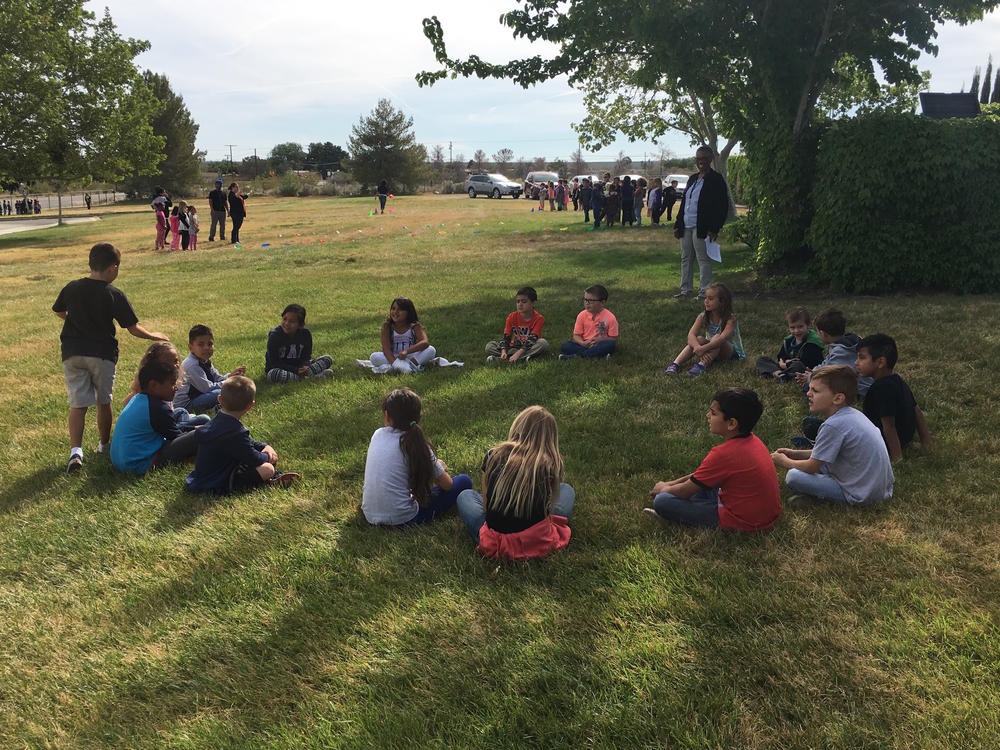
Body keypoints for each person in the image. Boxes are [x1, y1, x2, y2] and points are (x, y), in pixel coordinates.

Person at [52, 242, 168, 473]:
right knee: (103, 402)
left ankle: (76, 451)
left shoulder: (72, 287)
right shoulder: (113, 293)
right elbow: (133, 328)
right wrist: (155, 336)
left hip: (72, 353)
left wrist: (73, 320)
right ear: (113, 268)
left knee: (77, 404)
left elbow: (58, 310)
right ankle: (104, 446)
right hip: (102, 355)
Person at [645, 388, 781, 531]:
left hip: (745, 520)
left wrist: (663, 489)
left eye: (714, 413)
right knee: (698, 486)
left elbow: (685, 491)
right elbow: (699, 477)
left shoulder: (723, 454)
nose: (708, 415)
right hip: (763, 513)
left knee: (662, 501)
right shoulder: (753, 440)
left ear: (731, 423)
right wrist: (670, 484)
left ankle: (676, 514)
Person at [456, 406, 574, 558]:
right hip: (536, 541)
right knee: (566, 490)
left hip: (497, 542)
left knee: (466, 496)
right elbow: (546, 510)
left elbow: (486, 508)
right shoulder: (550, 465)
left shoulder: (493, 455)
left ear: (518, 427)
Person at [773, 365, 894, 505]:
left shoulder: (832, 426)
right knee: (820, 465)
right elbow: (823, 453)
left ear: (837, 398)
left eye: (815, 391)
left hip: (861, 494)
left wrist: (785, 461)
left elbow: (812, 466)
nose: (808, 394)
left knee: (793, 476)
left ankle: (821, 497)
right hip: (880, 489)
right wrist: (795, 453)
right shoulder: (852, 414)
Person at [361, 387, 472, 526]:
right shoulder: (418, 445)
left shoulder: (377, 435)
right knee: (464, 481)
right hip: (404, 519)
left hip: (369, 515)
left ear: (387, 416)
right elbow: (448, 485)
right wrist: (437, 469)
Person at [186, 375, 300, 494]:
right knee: (268, 469)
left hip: (200, 479)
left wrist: (264, 446)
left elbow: (247, 443)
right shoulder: (235, 432)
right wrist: (268, 455)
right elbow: (253, 457)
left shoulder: (216, 422)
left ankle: (272, 478)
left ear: (219, 399)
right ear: (250, 405)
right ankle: (270, 478)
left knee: (255, 464)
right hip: (216, 483)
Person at [110, 360, 199, 474]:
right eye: (172, 383)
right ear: (153, 385)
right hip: (139, 464)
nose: (176, 387)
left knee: (190, 416)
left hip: (122, 460)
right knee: (198, 436)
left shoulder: (139, 398)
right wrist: (195, 430)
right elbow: (176, 437)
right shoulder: (158, 407)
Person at [856, 334, 932, 461]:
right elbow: (916, 410)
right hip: (904, 439)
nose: (856, 363)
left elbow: (889, 426)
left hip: (878, 443)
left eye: (861, 358)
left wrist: (897, 458)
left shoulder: (881, 389)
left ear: (880, 362)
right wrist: (927, 442)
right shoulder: (897, 379)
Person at [673, 146, 729, 299]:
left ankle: (705, 292)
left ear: (710, 160)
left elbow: (722, 206)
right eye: (698, 159)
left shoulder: (716, 180)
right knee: (686, 259)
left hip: (703, 227)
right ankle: (685, 290)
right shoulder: (692, 179)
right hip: (686, 225)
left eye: (704, 158)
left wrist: (714, 228)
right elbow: (685, 203)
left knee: (703, 259)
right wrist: (678, 225)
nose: (701, 162)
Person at [123, 341, 209, 432]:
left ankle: (185, 421)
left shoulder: (168, 384)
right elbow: (126, 405)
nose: (175, 365)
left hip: (166, 420)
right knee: (203, 420)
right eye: (168, 362)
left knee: (182, 412)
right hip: (159, 429)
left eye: (176, 361)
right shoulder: (149, 391)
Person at [664, 282, 745, 377]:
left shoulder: (731, 319)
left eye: (710, 299)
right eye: (706, 298)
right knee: (698, 339)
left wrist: (702, 349)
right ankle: (675, 364)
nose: (706, 301)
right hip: (713, 351)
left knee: (717, 338)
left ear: (722, 301)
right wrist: (697, 347)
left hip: (732, 354)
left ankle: (701, 366)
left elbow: (722, 340)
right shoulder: (703, 316)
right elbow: (691, 335)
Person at [794, 309, 874, 399]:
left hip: (859, 390)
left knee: (816, 387)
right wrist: (814, 372)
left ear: (822, 333)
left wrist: (810, 378)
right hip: (860, 384)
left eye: (817, 331)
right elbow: (828, 363)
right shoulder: (849, 341)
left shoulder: (841, 351)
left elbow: (830, 376)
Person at [174, 324, 247, 413]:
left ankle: (221, 405)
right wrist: (229, 382)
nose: (206, 348)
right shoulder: (192, 365)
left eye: (210, 344)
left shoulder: (204, 360)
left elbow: (216, 378)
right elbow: (207, 388)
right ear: (190, 348)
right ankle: (219, 407)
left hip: (198, 396)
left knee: (228, 389)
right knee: (221, 392)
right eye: (201, 344)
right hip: (186, 406)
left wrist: (230, 376)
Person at [265, 303, 333, 383]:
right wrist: (295, 370)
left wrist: (304, 366)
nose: (287, 323)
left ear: (300, 325)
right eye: (284, 319)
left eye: (292, 321)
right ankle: (311, 377)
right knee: (272, 374)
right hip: (281, 369)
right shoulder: (275, 335)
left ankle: (305, 376)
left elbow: (306, 356)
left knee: (327, 359)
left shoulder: (305, 334)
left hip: (299, 367)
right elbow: (274, 362)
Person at [756, 306, 825, 381]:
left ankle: (782, 376)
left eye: (800, 327)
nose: (796, 331)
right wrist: (781, 361)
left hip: (806, 370)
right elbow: (781, 355)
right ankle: (779, 373)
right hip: (787, 367)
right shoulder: (789, 340)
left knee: (797, 365)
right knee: (762, 359)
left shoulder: (812, 342)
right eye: (792, 328)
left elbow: (808, 363)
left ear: (808, 325)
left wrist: (786, 365)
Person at [369, 297, 437, 373]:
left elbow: (425, 342)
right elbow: (386, 348)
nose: (395, 312)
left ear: (408, 312)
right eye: (393, 309)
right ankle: (404, 368)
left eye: (400, 310)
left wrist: (406, 351)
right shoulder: (387, 326)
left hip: (411, 356)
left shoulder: (415, 326)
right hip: (394, 357)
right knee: (374, 357)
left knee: (431, 350)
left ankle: (409, 366)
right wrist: (396, 363)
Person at [486, 286, 548, 363]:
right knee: (490, 346)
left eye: (524, 301)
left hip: (528, 348)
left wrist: (518, 353)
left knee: (543, 343)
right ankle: (523, 358)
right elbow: (506, 337)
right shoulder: (511, 317)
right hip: (512, 347)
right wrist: (503, 351)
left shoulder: (539, 318)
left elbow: (532, 339)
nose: (520, 304)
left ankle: (505, 359)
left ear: (533, 303)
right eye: (518, 301)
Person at [559, 284, 618, 360]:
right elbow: (576, 336)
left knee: (610, 345)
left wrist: (601, 340)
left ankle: (575, 357)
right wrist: (582, 343)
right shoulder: (581, 315)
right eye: (585, 300)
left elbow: (613, 338)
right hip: (584, 344)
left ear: (602, 302)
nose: (587, 303)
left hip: (599, 344)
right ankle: (598, 356)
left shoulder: (610, 317)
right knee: (565, 345)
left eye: (591, 301)